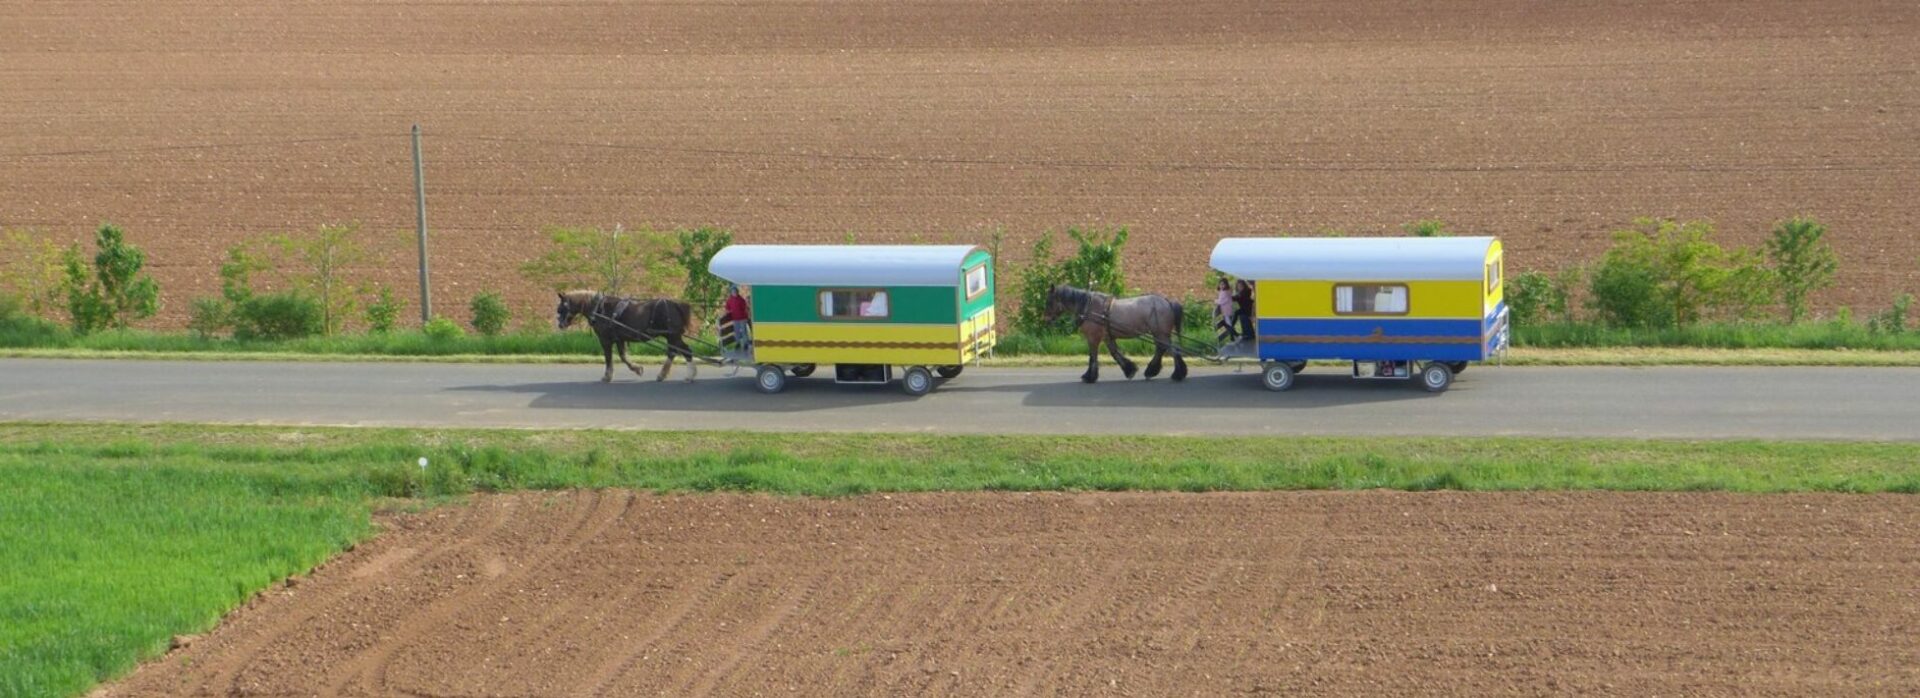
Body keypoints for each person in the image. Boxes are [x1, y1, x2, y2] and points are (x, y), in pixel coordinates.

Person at [724, 284, 751, 350]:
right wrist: (727, 313)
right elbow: (727, 308)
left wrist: (747, 316)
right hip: (735, 319)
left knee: (744, 331)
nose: (734, 293)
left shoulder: (741, 300)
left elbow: (745, 309)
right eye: (733, 291)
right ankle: (738, 343)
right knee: (736, 331)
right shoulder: (730, 300)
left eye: (735, 291)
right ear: (731, 292)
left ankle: (745, 344)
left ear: (737, 292)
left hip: (742, 318)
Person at [1214, 278, 1238, 343]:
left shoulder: (1224, 292)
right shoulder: (1227, 291)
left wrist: (1215, 301)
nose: (1221, 286)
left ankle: (1235, 335)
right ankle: (1233, 337)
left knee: (1227, 324)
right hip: (1229, 309)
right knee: (1228, 323)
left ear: (1226, 285)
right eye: (1220, 284)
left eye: (1223, 284)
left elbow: (1221, 301)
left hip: (1226, 310)